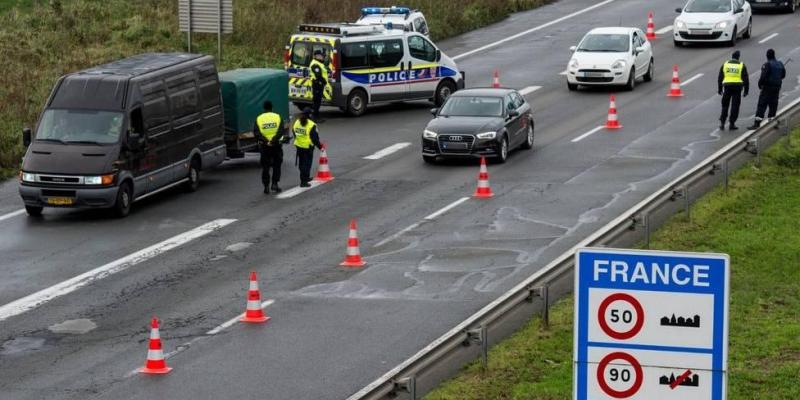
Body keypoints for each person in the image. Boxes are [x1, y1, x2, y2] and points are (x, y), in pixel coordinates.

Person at [748, 49, 786, 130]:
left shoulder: (767, 64)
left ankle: (757, 123)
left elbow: (763, 76)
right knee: (773, 105)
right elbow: (783, 75)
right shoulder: (780, 64)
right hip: (776, 88)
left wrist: (760, 84)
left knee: (762, 104)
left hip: (767, 88)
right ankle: (772, 123)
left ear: (767, 56)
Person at [254, 101, 287, 194]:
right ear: (272, 108)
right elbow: (281, 131)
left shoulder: (259, 118)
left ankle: (266, 186)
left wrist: (266, 141)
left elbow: (256, 133)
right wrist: (273, 140)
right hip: (276, 145)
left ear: (264, 108)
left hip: (264, 146)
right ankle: (275, 184)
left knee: (265, 167)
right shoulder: (277, 117)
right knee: (277, 165)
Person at [717, 50, 749, 131]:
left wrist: (720, 88)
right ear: (738, 57)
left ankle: (722, 123)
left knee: (725, 105)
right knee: (735, 106)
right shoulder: (741, 65)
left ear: (732, 56)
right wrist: (746, 90)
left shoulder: (725, 64)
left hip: (727, 87)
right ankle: (732, 124)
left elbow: (720, 77)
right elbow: (746, 79)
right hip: (737, 87)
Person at [293, 108, 323, 187]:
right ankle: (303, 182)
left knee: (302, 163)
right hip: (307, 147)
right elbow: (315, 138)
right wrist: (320, 147)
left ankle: (305, 177)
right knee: (306, 164)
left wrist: (299, 139)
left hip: (299, 146)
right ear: (309, 115)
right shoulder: (311, 124)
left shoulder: (297, 121)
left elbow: (294, 132)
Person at [309, 49, 331, 122]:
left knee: (318, 101)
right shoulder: (315, 64)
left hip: (319, 84)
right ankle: (315, 117)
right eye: (321, 55)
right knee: (316, 102)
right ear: (317, 56)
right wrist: (324, 81)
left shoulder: (319, 63)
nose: (322, 57)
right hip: (317, 84)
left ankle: (316, 116)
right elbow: (318, 75)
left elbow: (323, 71)